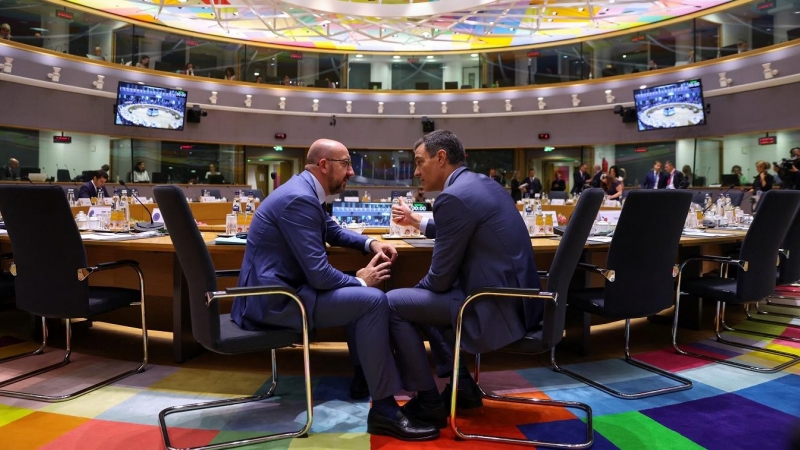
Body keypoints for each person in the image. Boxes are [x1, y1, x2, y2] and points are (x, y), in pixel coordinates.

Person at [231, 139, 438, 441]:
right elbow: (319, 275)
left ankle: (363, 379)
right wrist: (362, 279)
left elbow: (332, 230)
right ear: (325, 165)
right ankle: (384, 410)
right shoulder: (299, 199)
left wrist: (371, 243)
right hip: (276, 302)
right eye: (346, 164)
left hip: (283, 291)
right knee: (372, 300)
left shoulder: (304, 192)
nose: (352, 172)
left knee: (362, 299)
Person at [387, 130, 540, 428]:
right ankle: (464, 388)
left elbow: (438, 281)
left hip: (493, 308)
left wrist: (413, 302)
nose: (416, 171)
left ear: (441, 157)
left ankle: (429, 401)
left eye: (420, 162)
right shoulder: (483, 184)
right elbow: (459, 228)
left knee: (394, 304)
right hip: (520, 301)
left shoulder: (453, 197)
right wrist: (417, 221)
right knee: (423, 303)